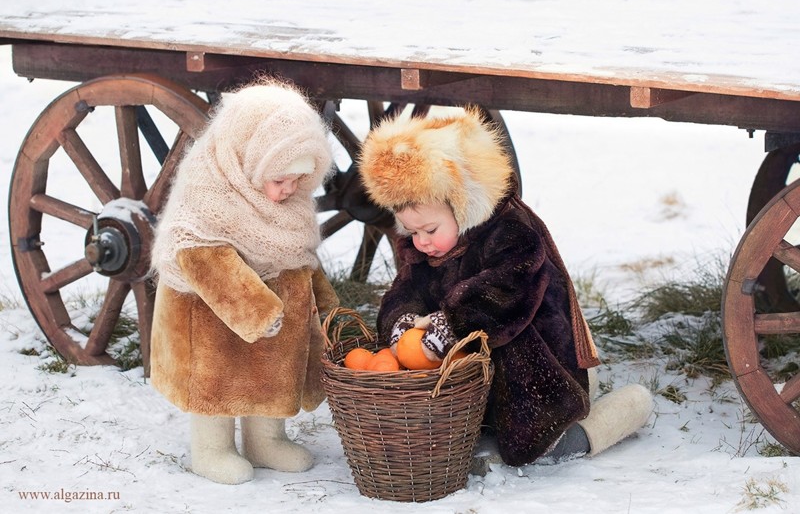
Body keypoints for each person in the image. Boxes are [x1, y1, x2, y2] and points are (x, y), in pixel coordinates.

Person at [358, 108, 653, 467]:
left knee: (537, 441)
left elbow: (505, 292)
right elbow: (405, 291)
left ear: (463, 205)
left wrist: (451, 325)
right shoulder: (427, 248)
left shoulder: (511, 233)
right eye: (412, 232)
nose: (421, 242)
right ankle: (486, 420)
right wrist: (400, 321)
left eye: (430, 230)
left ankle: (605, 421)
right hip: (486, 364)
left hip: (545, 357)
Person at [148, 78, 339, 485]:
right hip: (213, 317)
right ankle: (212, 448)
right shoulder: (207, 193)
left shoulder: (291, 203)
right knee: (216, 381)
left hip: (273, 331)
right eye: (279, 180)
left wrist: (328, 306)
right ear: (248, 160)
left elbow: (300, 258)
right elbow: (202, 256)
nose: (288, 191)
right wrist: (254, 308)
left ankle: (264, 441)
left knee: (270, 377)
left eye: (298, 181)